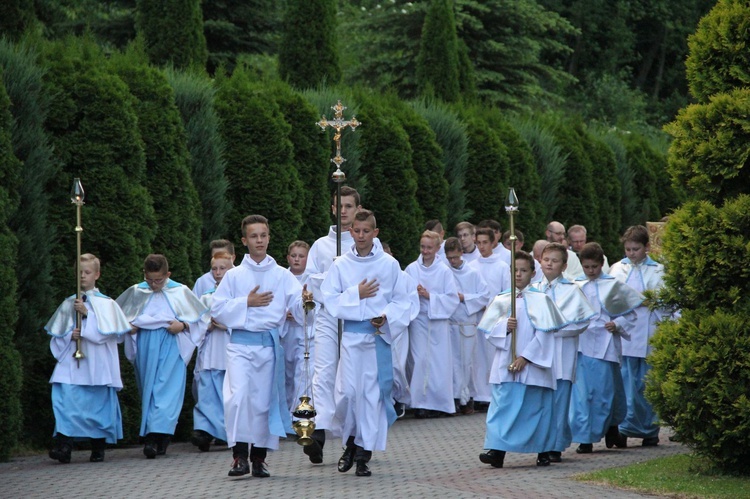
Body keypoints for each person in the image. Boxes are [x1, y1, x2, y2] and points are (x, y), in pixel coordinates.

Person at [211, 215, 312, 478]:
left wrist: (306, 302)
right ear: (244, 240)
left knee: (262, 403)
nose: (259, 240)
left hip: (268, 347)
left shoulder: (281, 275)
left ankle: (259, 459)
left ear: (269, 237)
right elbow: (218, 310)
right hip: (240, 346)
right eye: (254, 236)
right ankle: (238, 456)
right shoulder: (234, 276)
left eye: (263, 235)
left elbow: (300, 309)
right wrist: (246, 302)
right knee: (238, 398)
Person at [321, 209, 414, 477]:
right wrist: (356, 294)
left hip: (376, 339)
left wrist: (386, 317)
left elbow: (403, 299)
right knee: (349, 394)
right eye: (356, 231)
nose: (361, 236)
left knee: (371, 397)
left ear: (375, 233)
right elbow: (329, 298)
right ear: (351, 232)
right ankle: (350, 442)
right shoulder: (341, 265)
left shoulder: (388, 264)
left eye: (366, 231)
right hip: (351, 338)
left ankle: (363, 454)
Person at [477, 250, 569, 468]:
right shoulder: (501, 299)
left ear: (532, 273)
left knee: (535, 408)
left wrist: (525, 358)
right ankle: (497, 450)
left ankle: (543, 450)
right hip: (505, 365)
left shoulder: (541, 300)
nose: (518, 275)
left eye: (523, 270)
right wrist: (504, 329)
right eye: (514, 270)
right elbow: (489, 332)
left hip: (533, 366)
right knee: (502, 406)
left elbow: (545, 334)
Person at [117, 254, 208, 459]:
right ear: (144, 274)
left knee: (167, 390)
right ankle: (154, 434)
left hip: (171, 342)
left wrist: (183, 325)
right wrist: (128, 328)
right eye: (149, 279)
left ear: (167, 274)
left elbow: (202, 319)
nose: (154, 284)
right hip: (145, 342)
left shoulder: (180, 290)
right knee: (148, 389)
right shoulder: (137, 291)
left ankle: (157, 437)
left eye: (158, 280)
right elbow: (119, 319)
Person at [45, 253, 131, 463]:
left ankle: (98, 446)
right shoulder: (69, 303)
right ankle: (64, 445)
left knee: (96, 404)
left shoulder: (107, 304)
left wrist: (87, 316)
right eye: (79, 272)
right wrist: (69, 336)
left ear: (97, 275)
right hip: (73, 363)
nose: (82, 276)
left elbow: (110, 334)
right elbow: (57, 337)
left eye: (87, 272)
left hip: (97, 364)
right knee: (65, 400)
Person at [303, 186, 361, 464]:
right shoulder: (321, 246)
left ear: (357, 209)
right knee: (323, 372)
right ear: (333, 209)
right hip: (327, 315)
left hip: (353, 319)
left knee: (351, 380)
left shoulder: (364, 244)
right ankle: (319, 432)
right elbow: (311, 281)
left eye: (350, 206)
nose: (345, 211)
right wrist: (333, 277)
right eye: (340, 206)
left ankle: (353, 438)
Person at [569, 242, 643, 454]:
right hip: (582, 343)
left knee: (604, 392)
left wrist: (617, 323)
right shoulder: (576, 285)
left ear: (602, 264)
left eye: (594, 267)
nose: (591, 271)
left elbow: (631, 313)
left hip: (605, 344)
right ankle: (586, 437)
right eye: (586, 267)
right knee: (583, 395)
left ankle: (611, 427)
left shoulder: (612, 284)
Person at [608, 225, 670, 447]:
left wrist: (642, 299)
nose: (631, 253)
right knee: (625, 383)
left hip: (648, 330)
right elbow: (610, 296)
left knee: (647, 382)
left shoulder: (658, 270)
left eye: (636, 249)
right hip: (625, 331)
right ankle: (624, 427)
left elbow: (663, 297)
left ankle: (649, 428)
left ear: (647, 247)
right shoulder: (617, 269)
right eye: (628, 249)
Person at [537, 243, 595, 462]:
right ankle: (541, 441)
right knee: (542, 400)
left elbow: (582, 322)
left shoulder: (571, 290)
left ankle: (556, 444)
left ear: (564, 265)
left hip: (562, 352)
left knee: (560, 401)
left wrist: (556, 330)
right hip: (539, 352)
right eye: (546, 259)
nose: (550, 264)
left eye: (555, 260)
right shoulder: (534, 289)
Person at [405, 230, 460, 418]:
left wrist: (430, 296)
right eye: (423, 247)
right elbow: (403, 291)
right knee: (420, 360)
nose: (425, 251)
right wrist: (415, 292)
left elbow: (452, 298)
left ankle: (440, 403)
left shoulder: (444, 270)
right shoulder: (412, 269)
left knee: (439, 363)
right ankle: (419, 402)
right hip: (419, 319)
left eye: (429, 247)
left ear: (437, 248)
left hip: (438, 322)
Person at [191, 251, 234, 452]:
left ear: (231, 267)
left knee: (228, 394)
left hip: (229, 350)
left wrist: (227, 326)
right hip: (210, 353)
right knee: (207, 392)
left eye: (222, 268)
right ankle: (204, 431)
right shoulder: (206, 297)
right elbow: (196, 323)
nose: (218, 273)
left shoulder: (238, 296)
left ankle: (226, 432)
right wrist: (207, 325)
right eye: (214, 269)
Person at [444, 237, 490, 415]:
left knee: (466, 363)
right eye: (450, 258)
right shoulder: (445, 271)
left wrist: (464, 297)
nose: (453, 261)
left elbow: (484, 295)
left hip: (467, 323)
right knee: (451, 363)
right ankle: (455, 398)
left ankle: (467, 397)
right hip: (450, 323)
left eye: (455, 257)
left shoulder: (473, 273)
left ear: (461, 253)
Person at [471, 228, 511, 410]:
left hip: (496, 317)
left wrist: (496, 308)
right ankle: (479, 394)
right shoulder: (472, 265)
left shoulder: (502, 266)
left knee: (492, 355)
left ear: (493, 242)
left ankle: (492, 393)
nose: (481, 247)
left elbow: (507, 292)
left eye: (484, 242)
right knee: (477, 357)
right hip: (477, 316)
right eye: (478, 243)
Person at [281, 240, 315, 421]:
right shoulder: (281, 277)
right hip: (286, 331)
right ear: (288, 258)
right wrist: (283, 313)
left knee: (302, 373)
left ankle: (300, 416)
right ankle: (286, 415)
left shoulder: (312, 279)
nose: (296, 260)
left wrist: (303, 312)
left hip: (305, 332)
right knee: (286, 373)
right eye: (293, 256)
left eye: (301, 256)